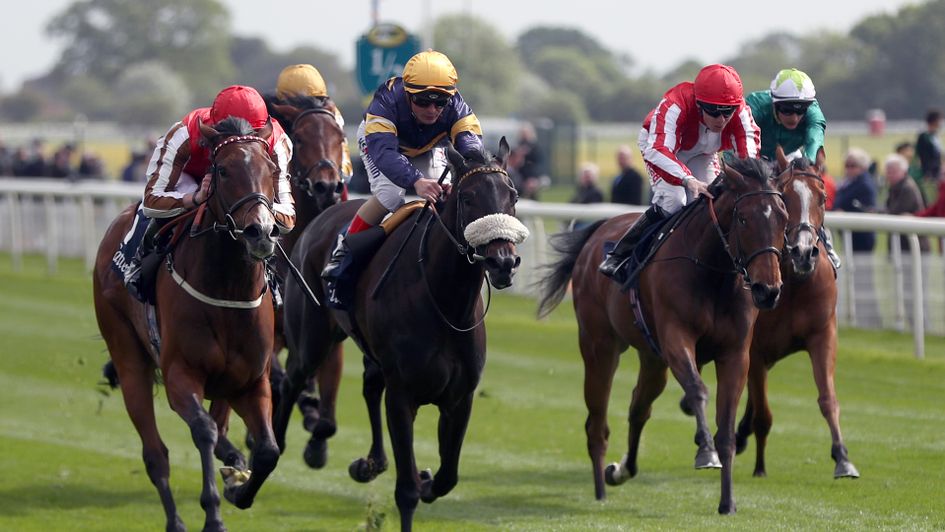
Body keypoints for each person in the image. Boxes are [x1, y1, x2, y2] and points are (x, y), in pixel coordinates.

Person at [118, 85, 295, 301]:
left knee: (259, 219)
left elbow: (288, 217)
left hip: (244, 187)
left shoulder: (277, 141)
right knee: (157, 214)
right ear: (214, 127)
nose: (245, 142)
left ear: (262, 131)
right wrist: (195, 199)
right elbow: (152, 201)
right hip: (190, 179)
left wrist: (260, 209)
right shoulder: (184, 133)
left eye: (252, 135)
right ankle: (138, 261)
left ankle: (272, 277)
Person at [321, 50, 483, 280]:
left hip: (428, 147)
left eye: (440, 103)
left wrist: (472, 166)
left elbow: (471, 144)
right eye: (423, 101)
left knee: (443, 196)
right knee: (390, 195)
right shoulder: (386, 100)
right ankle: (344, 249)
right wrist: (416, 181)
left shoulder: (457, 106)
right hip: (381, 144)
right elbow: (385, 152)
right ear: (407, 94)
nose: (432, 110)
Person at [599, 64, 760, 282]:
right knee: (674, 200)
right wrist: (687, 179)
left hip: (703, 152)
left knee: (714, 202)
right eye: (714, 111)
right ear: (699, 103)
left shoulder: (741, 112)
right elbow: (659, 149)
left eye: (727, 112)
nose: (721, 120)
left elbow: (748, 160)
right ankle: (620, 254)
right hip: (661, 147)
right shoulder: (676, 104)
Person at [744, 68, 840, 268]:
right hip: (754, 155)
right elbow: (741, 141)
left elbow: (814, 140)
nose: (794, 117)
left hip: (791, 156)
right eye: (787, 109)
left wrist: (808, 164)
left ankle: (823, 237)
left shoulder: (814, 112)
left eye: (800, 110)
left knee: (806, 191)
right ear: (774, 103)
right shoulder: (755, 105)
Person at [272, 63, 353, 185]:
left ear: (323, 101)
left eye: (314, 102)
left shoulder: (333, 115)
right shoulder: (271, 117)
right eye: (299, 104)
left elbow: (346, 173)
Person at [832, 147, 877, 252]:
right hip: (849, 234)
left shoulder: (865, 184)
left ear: (863, 167)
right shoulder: (847, 182)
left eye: (853, 166)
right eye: (846, 165)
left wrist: (844, 213)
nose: (848, 169)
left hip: (861, 237)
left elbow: (868, 210)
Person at [884, 152, 929, 252]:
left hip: (913, 245)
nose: (889, 175)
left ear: (903, 171)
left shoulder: (907, 188)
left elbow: (894, 212)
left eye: (893, 171)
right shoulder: (894, 187)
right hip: (903, 243)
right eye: (888, 171)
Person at [508, 122, 544, 200]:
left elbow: (538, 164)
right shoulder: (518, 145)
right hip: (519, 177)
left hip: (531, 176)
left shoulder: (535, 148)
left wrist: (534, 178)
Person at [569, 162, 605, 230]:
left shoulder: (596, 192)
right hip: (577, 222)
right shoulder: (581, 191)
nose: (586, 177)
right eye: (585, 175)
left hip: (588, 224)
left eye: (589, 175)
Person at [915, 109, 942, 184]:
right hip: (928, 173)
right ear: (934, 121)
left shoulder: (935, 136)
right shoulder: (923, 136)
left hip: (937, 171)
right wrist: (927, 172)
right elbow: (922, 155)